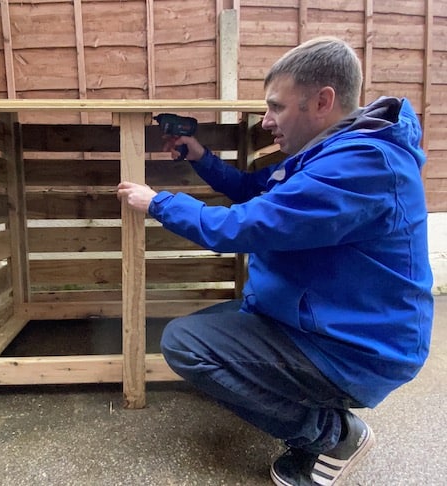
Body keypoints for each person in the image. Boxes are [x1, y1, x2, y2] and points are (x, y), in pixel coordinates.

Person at [116, 36, 434, 485]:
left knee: (187, 344)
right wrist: (202, 157)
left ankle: (334, 434)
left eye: (276, 108)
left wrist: (158, 203)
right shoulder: (328, 154)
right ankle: (298, 398)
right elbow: (256, 191)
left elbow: (245, 226)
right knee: (210, 333)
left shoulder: (362, 167)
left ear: (323, 100)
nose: (266, 121)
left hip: (358, 347)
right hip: (325, 320)